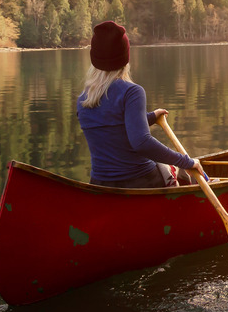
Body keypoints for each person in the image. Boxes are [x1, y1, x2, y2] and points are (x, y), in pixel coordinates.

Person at [77, 20, 204, 188]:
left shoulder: (83, 100)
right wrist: (186, 162)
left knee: (172, 165)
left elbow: (113, 126)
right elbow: (141, 143)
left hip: (101, 185)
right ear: (125, 57)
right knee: (179, 170)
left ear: (95, 59)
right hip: (141, 181)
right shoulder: (132, 92)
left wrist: (151, 117)